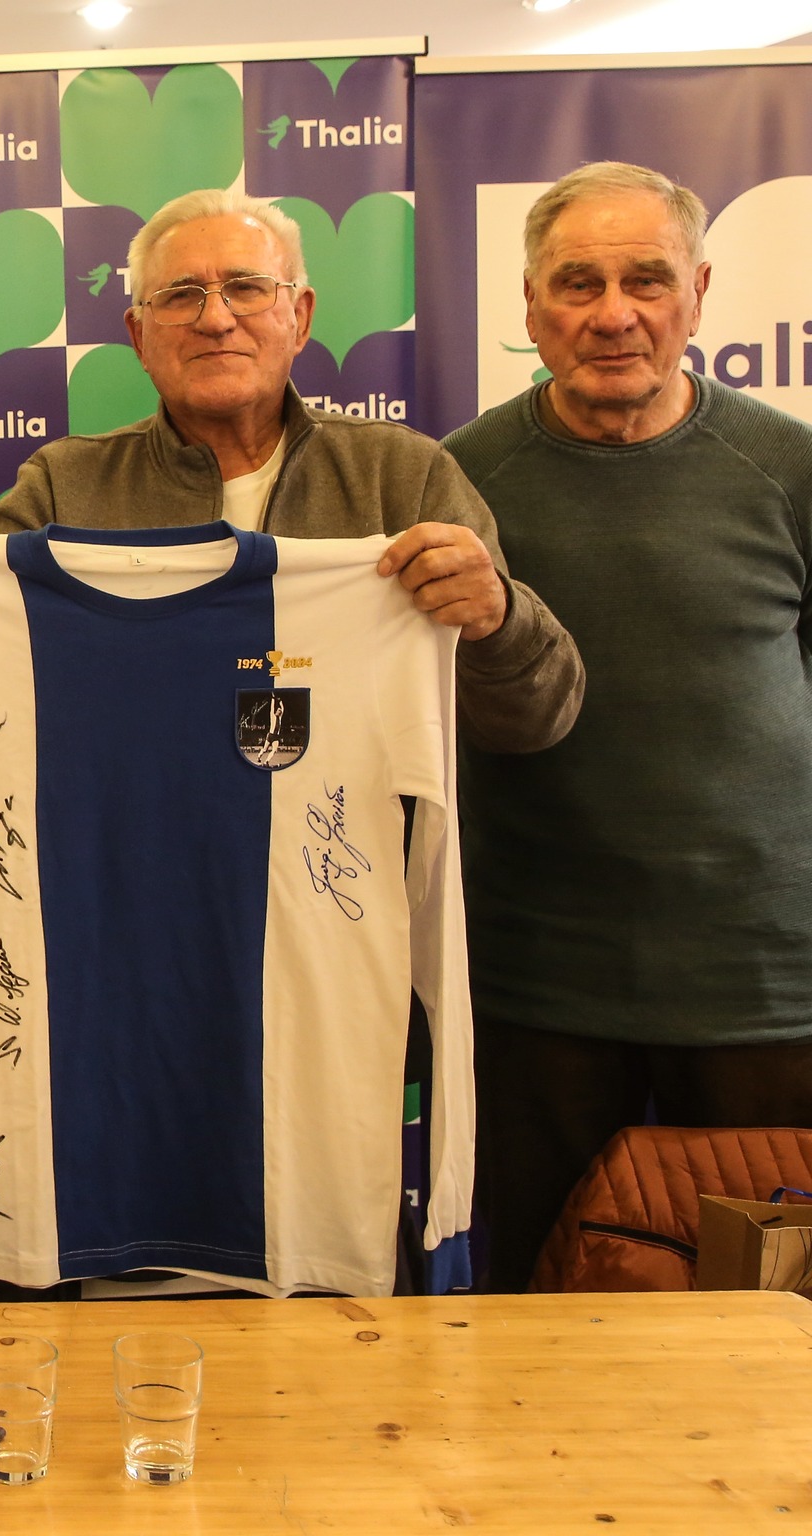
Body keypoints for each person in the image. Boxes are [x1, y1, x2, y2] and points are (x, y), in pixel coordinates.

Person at [0, 186, 584, 757]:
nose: (216, 318)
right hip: (127, 890)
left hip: (342, 900)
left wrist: (496, 619)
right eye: (181, 296)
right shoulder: (60, 488)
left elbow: (534, 720)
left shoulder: (402, 477)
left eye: (246, 288)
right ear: (139, 336)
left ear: (300, 316)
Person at [442, 161, 812, 1291]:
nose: (613, 313)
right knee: (536, 1296)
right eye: (576, 283)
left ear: (695, 293)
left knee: (769, 1303)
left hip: (760, 979)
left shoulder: (788, 468)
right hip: (532, 980)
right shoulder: (456, 478)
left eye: (645, 279)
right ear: (527, 307)